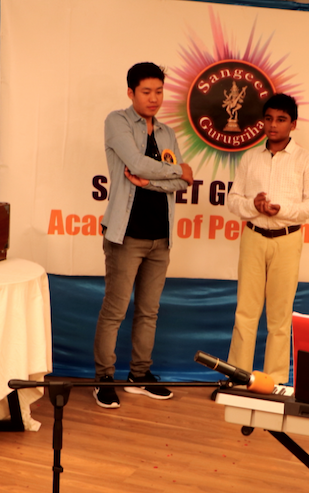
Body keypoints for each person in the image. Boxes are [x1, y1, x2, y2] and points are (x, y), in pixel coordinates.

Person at [92, 62, 194, 409]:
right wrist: (176, 170)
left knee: (149, 311)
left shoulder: (166, 133)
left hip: (160, 236)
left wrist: (150, 181)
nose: (154, 98)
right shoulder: (117, 121)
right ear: (131, 92)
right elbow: (139, 164)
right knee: (115, 311)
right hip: (126, 235)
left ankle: (139, 375)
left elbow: (181, 184)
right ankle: (104, 379)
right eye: (146, 92)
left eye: (159, 91)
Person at [225, 93, 309, 385]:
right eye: (268, 119)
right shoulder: (250, 157)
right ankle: (238, 376)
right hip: (253, 237)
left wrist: (282, 210)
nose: (273, 125)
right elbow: (233, 200)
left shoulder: (305, 159)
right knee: (245, 312)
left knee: (279, 317)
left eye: (281, 120)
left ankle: (274, 381)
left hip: (287, 239)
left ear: (293, 124)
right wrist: (253, 205)